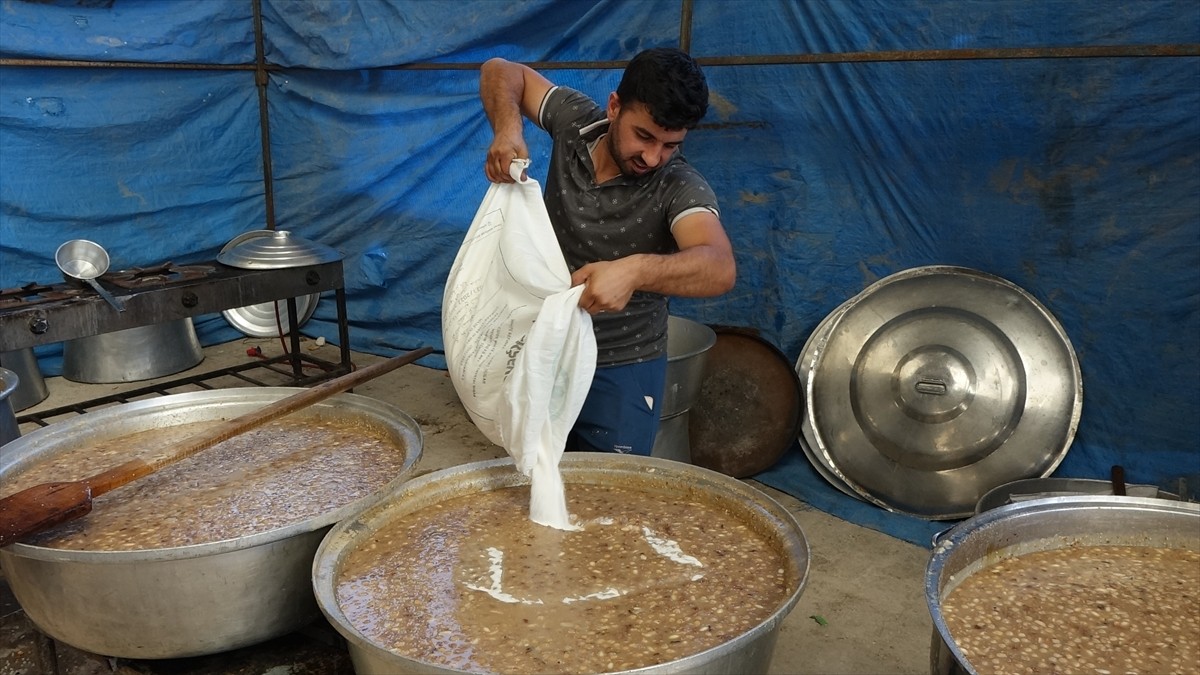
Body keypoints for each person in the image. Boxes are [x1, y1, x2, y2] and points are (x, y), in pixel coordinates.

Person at [479, 47, 735, 456]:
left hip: (623, 367)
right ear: (615, 107)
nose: (653, 157)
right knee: (530, 472)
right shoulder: (574, 121)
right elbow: (501, 70)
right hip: (544, 346)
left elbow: (719, 266)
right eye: (644, 136)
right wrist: (508, 130)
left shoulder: (679, 186)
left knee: (608, 499)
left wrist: (634, 271)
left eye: (670, 145)